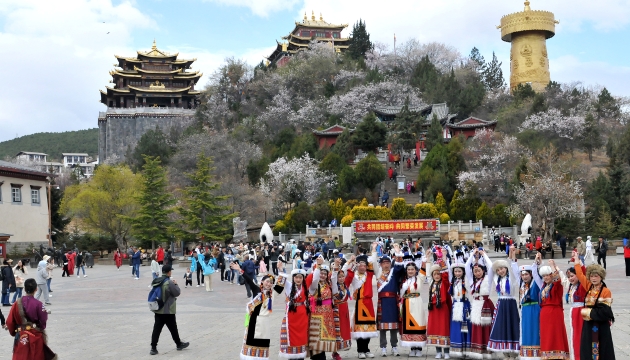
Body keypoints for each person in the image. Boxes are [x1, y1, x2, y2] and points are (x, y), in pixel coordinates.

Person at [231, 262, 276, 360]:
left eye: (271, 282)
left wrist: (281, 271)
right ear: (262, 281)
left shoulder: (272, 294)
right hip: (253, 323)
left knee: (262, 346)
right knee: (250, 349)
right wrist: (240, 270)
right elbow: (249, 280)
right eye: (267, 281)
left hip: (264, 324)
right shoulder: (257, 290)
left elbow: (281, 286)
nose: (269, 284)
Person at [573, 258, 616, 359]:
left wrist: (588, 312)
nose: (593, 278)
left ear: (601, 277)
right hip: (589, 325)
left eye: (596, 276)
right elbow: (580, 275)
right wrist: (576, 262)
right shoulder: (589, 287)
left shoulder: (606, 291)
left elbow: (605, 311)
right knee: (588, 347)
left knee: (601, 348)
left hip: (601, 325)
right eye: (591, 276)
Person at [344, 243, 379, 359]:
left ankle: (367, 349)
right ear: (357, 266)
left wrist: (373, 249)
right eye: (360, 265)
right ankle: (360, 350)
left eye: (364, 265)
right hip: (359, 303)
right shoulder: (353, 276)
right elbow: (346, 277)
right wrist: (350, 262)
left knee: (368, 328)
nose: (362, 267)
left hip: (369, 303)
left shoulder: (369, 275)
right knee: (359, 328)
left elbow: (373, 262)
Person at [6, 278, 55, 359]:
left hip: (21, 336)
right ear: (36, 289)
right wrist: (40, 329)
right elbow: (43, 321)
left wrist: (14, 332)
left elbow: (10, 322)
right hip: (36, 336)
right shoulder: (39, 304)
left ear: (24, 289)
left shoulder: (16, 303)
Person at [487, 246, 520, 357]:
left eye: (502, 268)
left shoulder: (512, 278)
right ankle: (506, 353)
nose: (500, 271)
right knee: (501, 326)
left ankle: (513, 353)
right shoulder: (497, 279)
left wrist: (512, 254)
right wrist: (483, 255)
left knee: (512, 326)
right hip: (501, 304)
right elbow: (489, 268)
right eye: (498, 270)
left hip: (510, 304)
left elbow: (513, 267)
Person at [150, 264, 189, 355]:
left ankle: (153, 347)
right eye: (170, 271)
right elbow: (177, 292)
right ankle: (178, 344)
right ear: (168, 272)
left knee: (157, 329)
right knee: (173, 328)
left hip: (158, 308)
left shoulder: (156, 280)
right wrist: (176, 284)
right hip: (168, 309)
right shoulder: (169, 282)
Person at [374, 244, 405, 357]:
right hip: (382, 301)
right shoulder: (378, 273)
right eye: (384, 263)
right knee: (382, 326)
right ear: (381, 264)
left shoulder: (394, 273)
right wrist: (373, 249)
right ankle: (383, 347)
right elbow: (372, 262)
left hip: (392, 301)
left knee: (394, 326)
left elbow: (399, 267)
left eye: (387, 263)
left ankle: (394, 346)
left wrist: (397, 251)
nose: (386, 265)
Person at [538, 259, 570, 359]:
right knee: (546, 336)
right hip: (544, 314)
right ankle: (547, 356)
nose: (545, 278)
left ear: (551, 275)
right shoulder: (544, 286)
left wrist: (552, 266)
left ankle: (558, 356)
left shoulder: (557, 286)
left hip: (555, 312)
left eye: (547, 275)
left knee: (555, 335)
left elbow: (557, 279)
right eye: (544, 276)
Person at [465, 248, 494, 359]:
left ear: (483, 270)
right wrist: (472, 255)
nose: (477, 273)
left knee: (487, 329)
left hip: (486, 305)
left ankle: (488, 352)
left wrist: (484, 255)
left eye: (479, 271)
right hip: (476, 305)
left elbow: (491, 266)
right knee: (476, 328)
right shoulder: (472, 281)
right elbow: (467, 267)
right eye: (475, 271)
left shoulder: (488, 279)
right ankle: (477, 351)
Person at [307, 257, 338, 359]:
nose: (323, 275)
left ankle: (323, 354)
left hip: (327, 314)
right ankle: (317, 355)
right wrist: (318, 266)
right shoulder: (313, 286)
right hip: (316, 314)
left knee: (325, 335)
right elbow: (315, 279)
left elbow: (334, 279)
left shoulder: (329, 285)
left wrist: (336, 267)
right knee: (316, 336)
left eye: (325, 274)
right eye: (321, 273)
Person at [399, 251, 428, 357]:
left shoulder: (419, 279)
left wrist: (425, 259)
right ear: (406, 271)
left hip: (417, 303)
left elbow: (423, 270)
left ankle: (419, 348)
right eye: (408, 269)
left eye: (412, 269)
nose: (410, 271)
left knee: (418, 323)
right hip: (407, 304)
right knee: (409, 325)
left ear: (416, 270)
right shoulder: (404, 282)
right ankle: (412, 347)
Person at [426, 249, 452, 359]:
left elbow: (446, 273)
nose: (437, 276)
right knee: (434, 329)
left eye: (438, 274)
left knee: (444, 329)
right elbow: (427, 273)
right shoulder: (431, 283)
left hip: (443, 308)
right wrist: (427, 258)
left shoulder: (444, 283)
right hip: (433, 309)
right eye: (435, 274)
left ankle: (446, 351)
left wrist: (443, 257)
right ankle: (438, 351)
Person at [562, 253, 587, 360]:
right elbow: (563, 279)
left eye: (572, 276)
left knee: (581, 336)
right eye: (569, 277)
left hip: (581, 313)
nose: (570, 279)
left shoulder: (582, 286)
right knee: (575, 336)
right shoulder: (571, 287)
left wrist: (577, 260)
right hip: (574, 313)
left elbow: (583, 273)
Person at [518, 254, 542, 360]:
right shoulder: (521, 284)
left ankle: (537, 354)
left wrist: (537, 262)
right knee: (525, 330)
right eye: (522, 275)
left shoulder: (535, 283)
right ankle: (527, 354)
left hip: (534, 309)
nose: (524, 277)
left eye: (526, 274)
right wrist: (513, 259)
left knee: (535, 330)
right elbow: (514, 270)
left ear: (531, 274)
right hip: (525, 309)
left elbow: (538, 274)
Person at [448, 260, 471, 358]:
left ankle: (466, 350)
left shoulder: (466, 281)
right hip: (455, 306)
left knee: (465, 329)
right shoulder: (453, 281)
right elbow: (448, 270)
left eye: (459, 271)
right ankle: (457, 349)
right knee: (456, 328)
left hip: (465, 305)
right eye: (455, 271)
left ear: (463, 272)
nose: (457, 273)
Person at [331, 258, 352, 360]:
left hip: (344, 309)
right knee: (336, 331)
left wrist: (349, 261)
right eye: (340, 277)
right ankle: (335, 352)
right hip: (336, 310)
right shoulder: (334, 287)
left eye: (343, 276)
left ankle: (339, 349)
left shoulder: (344, 286)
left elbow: (344, 270)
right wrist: (336, 265)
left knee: (343, 330)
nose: (341, 278)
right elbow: (334, 277)